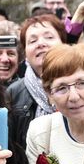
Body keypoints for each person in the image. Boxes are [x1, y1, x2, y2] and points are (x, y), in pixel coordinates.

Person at [7, 13, 67, 147]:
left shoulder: (82, 84)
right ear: (26, 55)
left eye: (49, 37)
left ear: (64, 43)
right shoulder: (13, 93)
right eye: (33, 41)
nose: (41, 43)